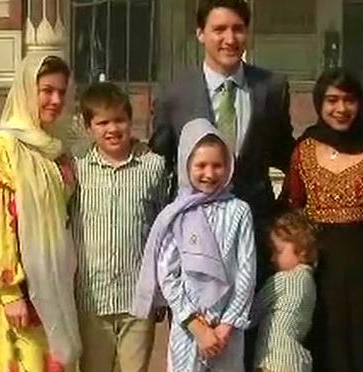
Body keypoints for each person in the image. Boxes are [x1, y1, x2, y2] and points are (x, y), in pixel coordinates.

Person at [149, 0, 294, 283]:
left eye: (238, 29)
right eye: (219, 29)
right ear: (200, 33)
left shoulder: (271, 87)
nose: (230, 39)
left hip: (256, 235)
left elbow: (287, 155)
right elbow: (160, 161)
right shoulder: (175, 93)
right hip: (194, 240)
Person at [0, 54, 81, 372]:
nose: (55, 100)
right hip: (17, 295)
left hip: (53, 286)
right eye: (46, 90)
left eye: (61, 91)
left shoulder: (57, 151)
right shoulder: (0, 149)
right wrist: (9, 292)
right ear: (25, 90)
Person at [133, 118, 256, 372]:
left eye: (217, 165)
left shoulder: (238, 211)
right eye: (200, 165)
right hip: (188, 328)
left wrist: (225, 326)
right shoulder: (176, 214)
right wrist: (196, 325)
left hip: (228, 332)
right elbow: (167, 273)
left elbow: (246, 271)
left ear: (229, 166)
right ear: (185, 165)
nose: (209, 174)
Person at [70, 82, 169, 372]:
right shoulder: (77, 168)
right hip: (91, 298)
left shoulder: (153, 166)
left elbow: (161, 232)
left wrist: (160, 291)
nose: (112, 129)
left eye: (119, 120)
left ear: (130, 120)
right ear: (89, 127)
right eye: (102, 122)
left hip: (137, 299)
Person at [282, 67, 363, 372]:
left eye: (349, 100)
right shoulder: (304, 150)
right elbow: (292, 207)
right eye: (332, 100)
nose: (341, 109)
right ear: (319, 103)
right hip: (319, 276)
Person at [251, 211, 317, 372]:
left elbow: (251, 314)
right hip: (298, 362)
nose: (272, 258)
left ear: (301, 250)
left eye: (278, 251)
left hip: (275, 360)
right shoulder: (309, 282)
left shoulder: (282, 280)